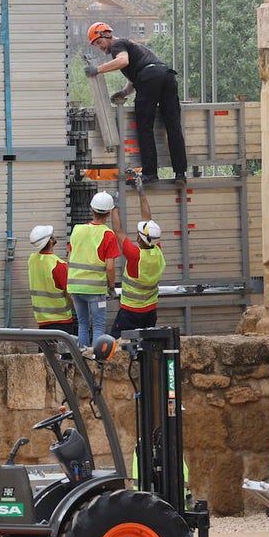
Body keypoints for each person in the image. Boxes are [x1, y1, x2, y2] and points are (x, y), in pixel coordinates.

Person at [85, 21, 189, 187]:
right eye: (96, 45)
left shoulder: (117, 45)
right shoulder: (130, 45)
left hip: (150, 78)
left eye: (99, 42)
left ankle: (150, 173)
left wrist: (97, 70)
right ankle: (180, 173)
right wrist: (125, 92)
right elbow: (140, 72)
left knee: (144, 125)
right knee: (173, 126)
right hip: (166, 76)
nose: (100, 47)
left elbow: (123, 62)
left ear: (107, 35)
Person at [108, 176, 167, 338]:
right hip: (150, 312)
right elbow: (148, 220)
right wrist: (141, 192)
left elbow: (118, 231)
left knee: (117, 347)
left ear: (140, 238)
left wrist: (115, 207)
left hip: (130, 312)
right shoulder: (157, 251)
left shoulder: (135, 255)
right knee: (146, 349)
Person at [67, 192, 120, 350]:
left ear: (91, 210)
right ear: (109, 213)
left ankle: (83, 357)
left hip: (75, 287)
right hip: (95, 290)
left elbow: (70, 258)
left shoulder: (77, 230)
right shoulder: (108, 235)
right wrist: (111, 287)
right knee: (98, 326)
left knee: (83, 324)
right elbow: (110, 267)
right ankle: (97, 359)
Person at [26, 224, 77, 337]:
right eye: (51, 236)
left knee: (46, 353)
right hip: (61, 322)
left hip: (42, 320)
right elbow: (69, 293)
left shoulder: (32, 260)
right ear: (50, 241)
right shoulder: (58, 265)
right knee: (65, 354)